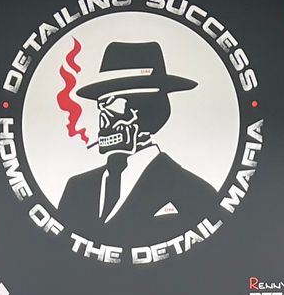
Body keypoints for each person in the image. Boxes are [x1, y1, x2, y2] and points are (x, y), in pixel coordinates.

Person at [59, 42, 221, 245]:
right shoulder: (77, 189)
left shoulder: (194, 193)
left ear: (147, 111)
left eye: (114, 110)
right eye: (101, 111)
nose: (103, 124)